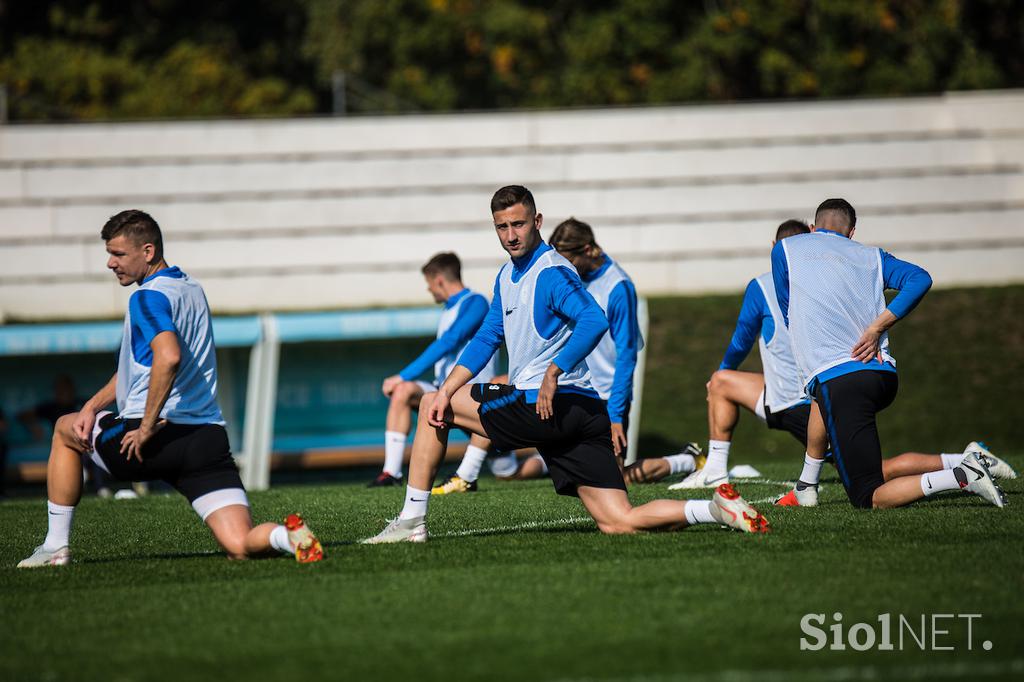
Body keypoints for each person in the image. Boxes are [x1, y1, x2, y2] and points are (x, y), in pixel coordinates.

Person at [363, 185, 769, 543]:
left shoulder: (551, 270)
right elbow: (487, 337)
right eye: (502, 228)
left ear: (536, 220)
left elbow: (594, 319)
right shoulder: (507, 276)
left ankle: (411, 520)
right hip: (581, 413)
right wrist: (453, 387)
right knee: (619, 521)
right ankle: (714, 509)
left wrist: (552, 372)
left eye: (518, 224)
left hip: (548, 405)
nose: (511, 235)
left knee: (437, 405)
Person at [18, 210, 324, 568]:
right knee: (240, 544)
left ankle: (55, 547)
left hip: (151, 440)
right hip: (205, 441)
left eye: (117, 254)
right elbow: (139, 369)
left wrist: (146, 426)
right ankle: (288, 537)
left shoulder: (146, 297)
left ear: (148, 251)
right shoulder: (192, 289)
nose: (109, 263)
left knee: (64, 430)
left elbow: (168, 357)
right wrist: (91, 406)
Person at [666, 220, 1016, 502]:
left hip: (803, 397)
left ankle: (964, 464)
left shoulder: (767, 283)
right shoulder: (837, 275)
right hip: (803, 390)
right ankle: (743, 473)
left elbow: (741, 339)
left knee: (874, 477)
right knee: (723, 382)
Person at [770, 198, 1006, 510]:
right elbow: (920, 278)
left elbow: (788, 311)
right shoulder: (872, 256)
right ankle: (806, 486)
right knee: (818, 396)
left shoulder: (785, 249)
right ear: (852, 232)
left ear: (813, 228)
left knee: (869, 496)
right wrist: (877, 327)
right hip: (880, 375)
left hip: (843, 382)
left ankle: (963, 474)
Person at [371, 251, 502, 491]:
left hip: (472, 393)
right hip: (443, 390)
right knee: (403, 392)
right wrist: (404, 381)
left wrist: (403, 374)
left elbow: (450, 341)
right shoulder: (448, 309)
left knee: (508, 471)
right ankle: (391, 473)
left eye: (429, 285)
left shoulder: (476, 302)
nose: (429, 290)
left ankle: (467, 477)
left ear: (439, 280)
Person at [17, 374, 125, 498]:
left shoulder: (84, 404)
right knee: (74, 446)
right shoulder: (50, 407)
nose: (64, 392)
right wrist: (33, 426)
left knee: (91, 447)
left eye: (66, 388)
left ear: (72, 389)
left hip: (86, 443)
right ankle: (83, 482)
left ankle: (100, 488)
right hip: (66, 445)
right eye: (60, 389)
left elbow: (102, 417)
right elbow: (22, 415)